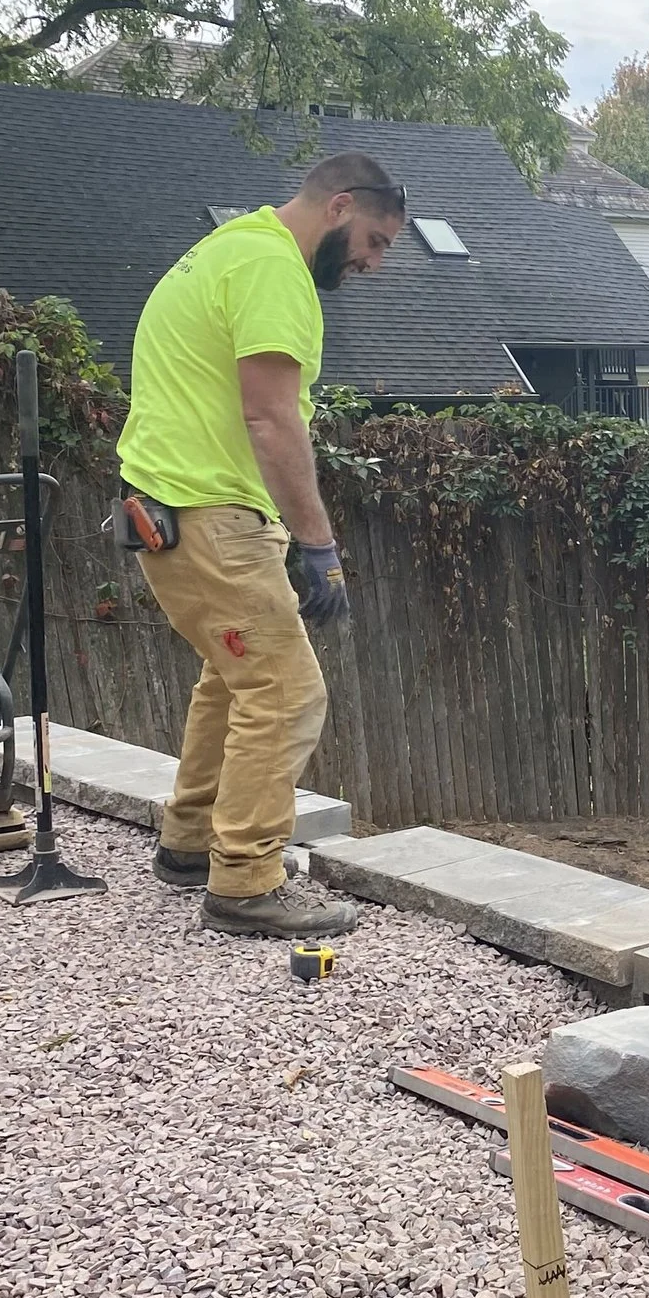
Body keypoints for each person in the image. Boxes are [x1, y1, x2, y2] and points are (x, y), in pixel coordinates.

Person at [116, 152, 406, 937]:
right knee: (286, 692)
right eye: (375, 242)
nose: (374, 264)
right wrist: (319, 546)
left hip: (176, 504)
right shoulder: (274, 269)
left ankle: (188, 842)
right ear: (340, 206)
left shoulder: (230, 246)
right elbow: (272, 418)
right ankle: (245, 880)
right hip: (206, 511)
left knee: (233, 676)